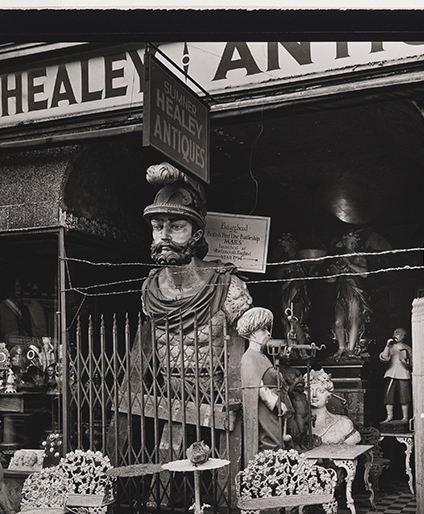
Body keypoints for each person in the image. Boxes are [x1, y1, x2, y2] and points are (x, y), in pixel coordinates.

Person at [109, 162, 252, 459]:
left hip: (218, 400)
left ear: (197, 236)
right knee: (169, 459)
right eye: (158, 227)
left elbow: (247, 351)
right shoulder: (150, 291)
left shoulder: (228, 286)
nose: (164, 236)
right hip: (168, 397)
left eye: (176, 227)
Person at [237, 307, 292, 465]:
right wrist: (276, 403)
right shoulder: (249, 358)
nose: (268, 333)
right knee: (270, 444)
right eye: (263, 329)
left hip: (272, 411)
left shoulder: (261, 356)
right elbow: (258, 388)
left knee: (277, 445)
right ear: (253, 333)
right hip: (264, 411)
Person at [328, 231, 371, 360]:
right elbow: (331, 279)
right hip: (341, 293)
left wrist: (350, 264)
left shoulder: (359, 257)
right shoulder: (339, 260)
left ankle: (351, 350)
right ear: (344, 242)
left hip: (355, 291)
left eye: (355, 242)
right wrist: (332, 273)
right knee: (337, 322)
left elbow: (365, 273)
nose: (353, 244)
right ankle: (341, 347)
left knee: (354, 319)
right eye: (350, 241)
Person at [275, 233, 310, 346]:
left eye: (285, 244)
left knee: (295, 319)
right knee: (286, 319)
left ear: (292, 244)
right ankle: (291, 348)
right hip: (286, 291)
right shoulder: (283, 259)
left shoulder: (301, 257)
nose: (284, 247)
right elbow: (277, 276)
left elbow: (309, 273)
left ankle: (301, 349)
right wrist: (286, 267)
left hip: (299, 292)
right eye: (282, 245)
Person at [309, 369, 360, 445]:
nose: (314, 395)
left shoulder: (342, 424)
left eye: (320, 391)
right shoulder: (295, 425)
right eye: (310, 390)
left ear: (328, 395)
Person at [378, 327, 413, 423]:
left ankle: (405, 417)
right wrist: (387, 346)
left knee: (404, 396)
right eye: (395, 333)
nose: (395, 335)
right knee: (388, 396)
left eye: (398, 333)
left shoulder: (407, 348)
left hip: (403, 373)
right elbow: (384, 358)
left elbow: (412, 363)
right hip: (391, 373)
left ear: (403, 336)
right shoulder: (390, 347)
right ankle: (389, 416)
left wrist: (405, 362)